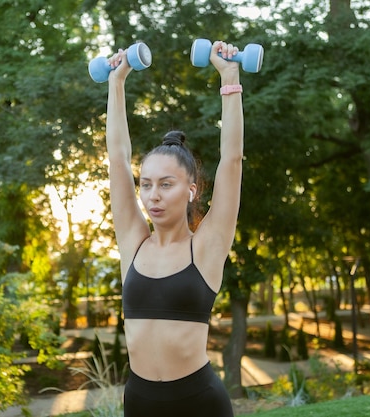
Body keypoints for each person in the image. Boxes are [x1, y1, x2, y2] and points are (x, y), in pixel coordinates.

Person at [104, 40, 243, 416]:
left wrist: (229, 78)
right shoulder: (133, 243)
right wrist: (117, 83)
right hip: (140, 403)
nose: (153, 195)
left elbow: (230, 161)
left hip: (199, 403)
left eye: (166, 184)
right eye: (146, 184)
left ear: (191, 190)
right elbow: (118, 160)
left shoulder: (207, 246)